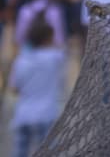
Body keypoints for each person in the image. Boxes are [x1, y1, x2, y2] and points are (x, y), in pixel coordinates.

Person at [8, 21, 66, 157]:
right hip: (47, 114)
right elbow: (62, 50)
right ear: (48, 38)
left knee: (20, 153)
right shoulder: (55, 57)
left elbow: (14, 88)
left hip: (23, 114)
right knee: (48, 152)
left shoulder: (21, 60)